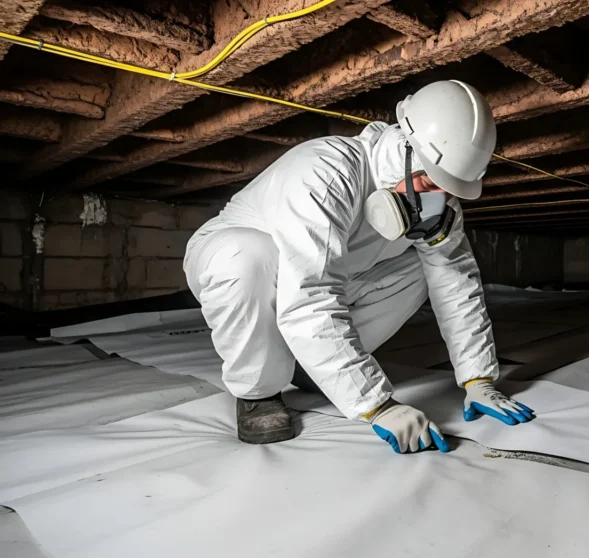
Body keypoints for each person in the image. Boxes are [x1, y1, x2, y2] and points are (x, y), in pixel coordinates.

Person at [183, 80, 533, 452]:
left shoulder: (438, 197)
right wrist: (377, 405)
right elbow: (310, 295)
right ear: (405, 152)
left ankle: (315, 372)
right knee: (247, 257)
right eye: (431, 183)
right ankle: (258, 392)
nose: (439, 200)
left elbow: (457, 282)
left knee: (427, 268)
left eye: (450, 189)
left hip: (334, 271)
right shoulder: (327, 172)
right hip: (241, 259)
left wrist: (478, 378)